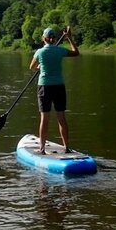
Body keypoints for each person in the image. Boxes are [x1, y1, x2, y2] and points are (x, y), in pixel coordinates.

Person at [29, 26, 80, 154]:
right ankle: (66, 147)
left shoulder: (40, 52)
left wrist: (39, 67)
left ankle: (42, 149)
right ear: (54, 39)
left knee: (44, 119)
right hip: (59, 86)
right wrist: (69, 37)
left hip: (44, 86)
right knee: (61, 118)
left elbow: (31, 67)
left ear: (43, 39)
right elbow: (76, 52)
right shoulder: (60, 51)